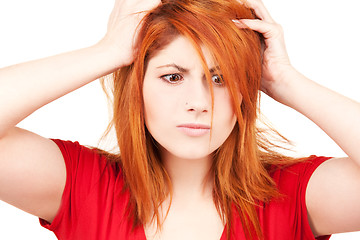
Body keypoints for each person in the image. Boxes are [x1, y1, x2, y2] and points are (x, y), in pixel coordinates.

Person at [0, 0, 359, 239]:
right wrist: (107, 51)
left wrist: (285, 80)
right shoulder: (82, 187)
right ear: (136, 87)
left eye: (222, 79)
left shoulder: (292, 196)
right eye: (173, 77)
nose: (199, 103)